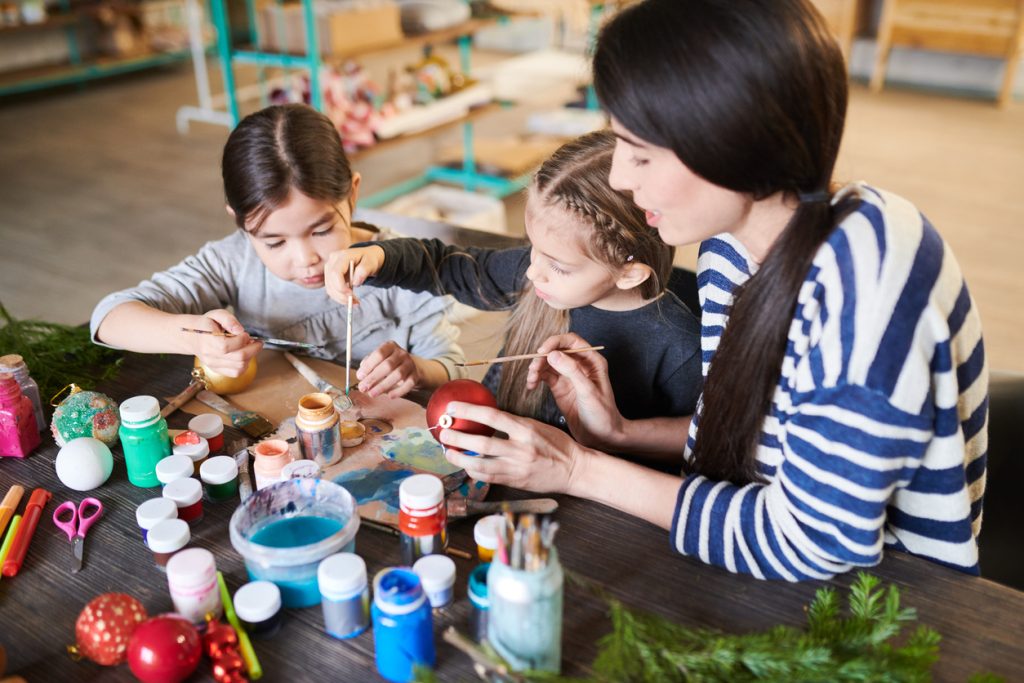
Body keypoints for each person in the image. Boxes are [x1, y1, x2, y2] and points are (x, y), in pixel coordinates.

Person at [418, 0, 989, 580]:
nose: (619, 177)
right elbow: (761, 439)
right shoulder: (730, 246)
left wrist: (576, 468)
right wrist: (619, 433)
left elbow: (813, 545)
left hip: (887, 597)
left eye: (639, 153)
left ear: (734, 145)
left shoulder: (870, 283)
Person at [325, 130, 702, 465]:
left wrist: (623, 434)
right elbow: (445, 266)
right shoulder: (539, 278)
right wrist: (379, 256)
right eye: (532, 248)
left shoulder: (680, 345)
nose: (532, 270)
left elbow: (699, 438)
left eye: (559, 265)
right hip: (493, 464)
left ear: (629, 273)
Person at [91, 104, 465, 398]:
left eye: (321, 230)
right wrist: (191, 337)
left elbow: (451, 366)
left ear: (352, 195)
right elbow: (108, 318)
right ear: (241, 223)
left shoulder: (401, 266)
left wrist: (416, 369)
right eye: (274, 242)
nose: (305, 260)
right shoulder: (234, 262)